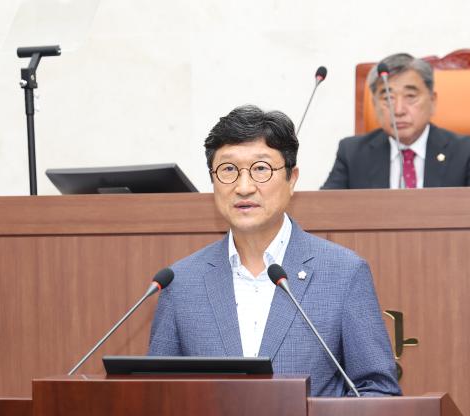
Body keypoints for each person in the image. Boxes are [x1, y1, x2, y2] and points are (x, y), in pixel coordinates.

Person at [148, 105, 401, 397]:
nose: (244, 187)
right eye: (228, 169)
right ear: (213, 179)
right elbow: (157, 397)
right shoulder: (180, 283)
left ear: (291, 179)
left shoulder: (343, 273)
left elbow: (378, 391)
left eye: (261, 169)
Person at [321, 52, 470, 190]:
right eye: (387, 98)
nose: (399, 110)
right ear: (374, 105)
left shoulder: (466, 152)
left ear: (432, 101)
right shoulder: (352, 153)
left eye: (411, 96)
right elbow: (323, 211)